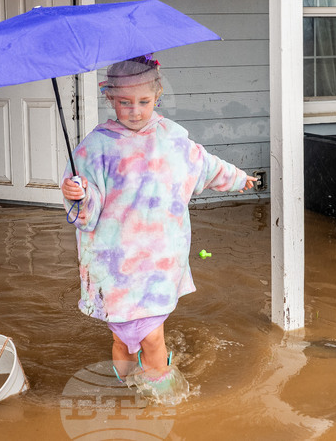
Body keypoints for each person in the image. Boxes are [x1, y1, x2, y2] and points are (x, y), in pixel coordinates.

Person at [60, 55, 256, 381]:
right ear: (109, 96)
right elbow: (84, 205)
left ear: (158, 95)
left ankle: (160, 403)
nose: (135, 110)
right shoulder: (94, 148)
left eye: (143, 101)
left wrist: (236, 178)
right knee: (121, 339)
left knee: (152, 336)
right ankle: (124, 386)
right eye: (125, 102)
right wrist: (77, 193)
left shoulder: (172, 138)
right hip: (116, 265)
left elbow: (204, 164)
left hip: (158, 261)